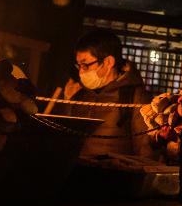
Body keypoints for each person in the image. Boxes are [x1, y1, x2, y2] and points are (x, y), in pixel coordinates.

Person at [49, 28, 157, 160]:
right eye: (79, 66)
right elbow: (64, 139)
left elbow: (145, 150)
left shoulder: (134, 96)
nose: (81, 72)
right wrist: (68, 102)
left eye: (85, 65)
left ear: (108, 62)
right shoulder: (80, 92)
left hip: (114, 176)